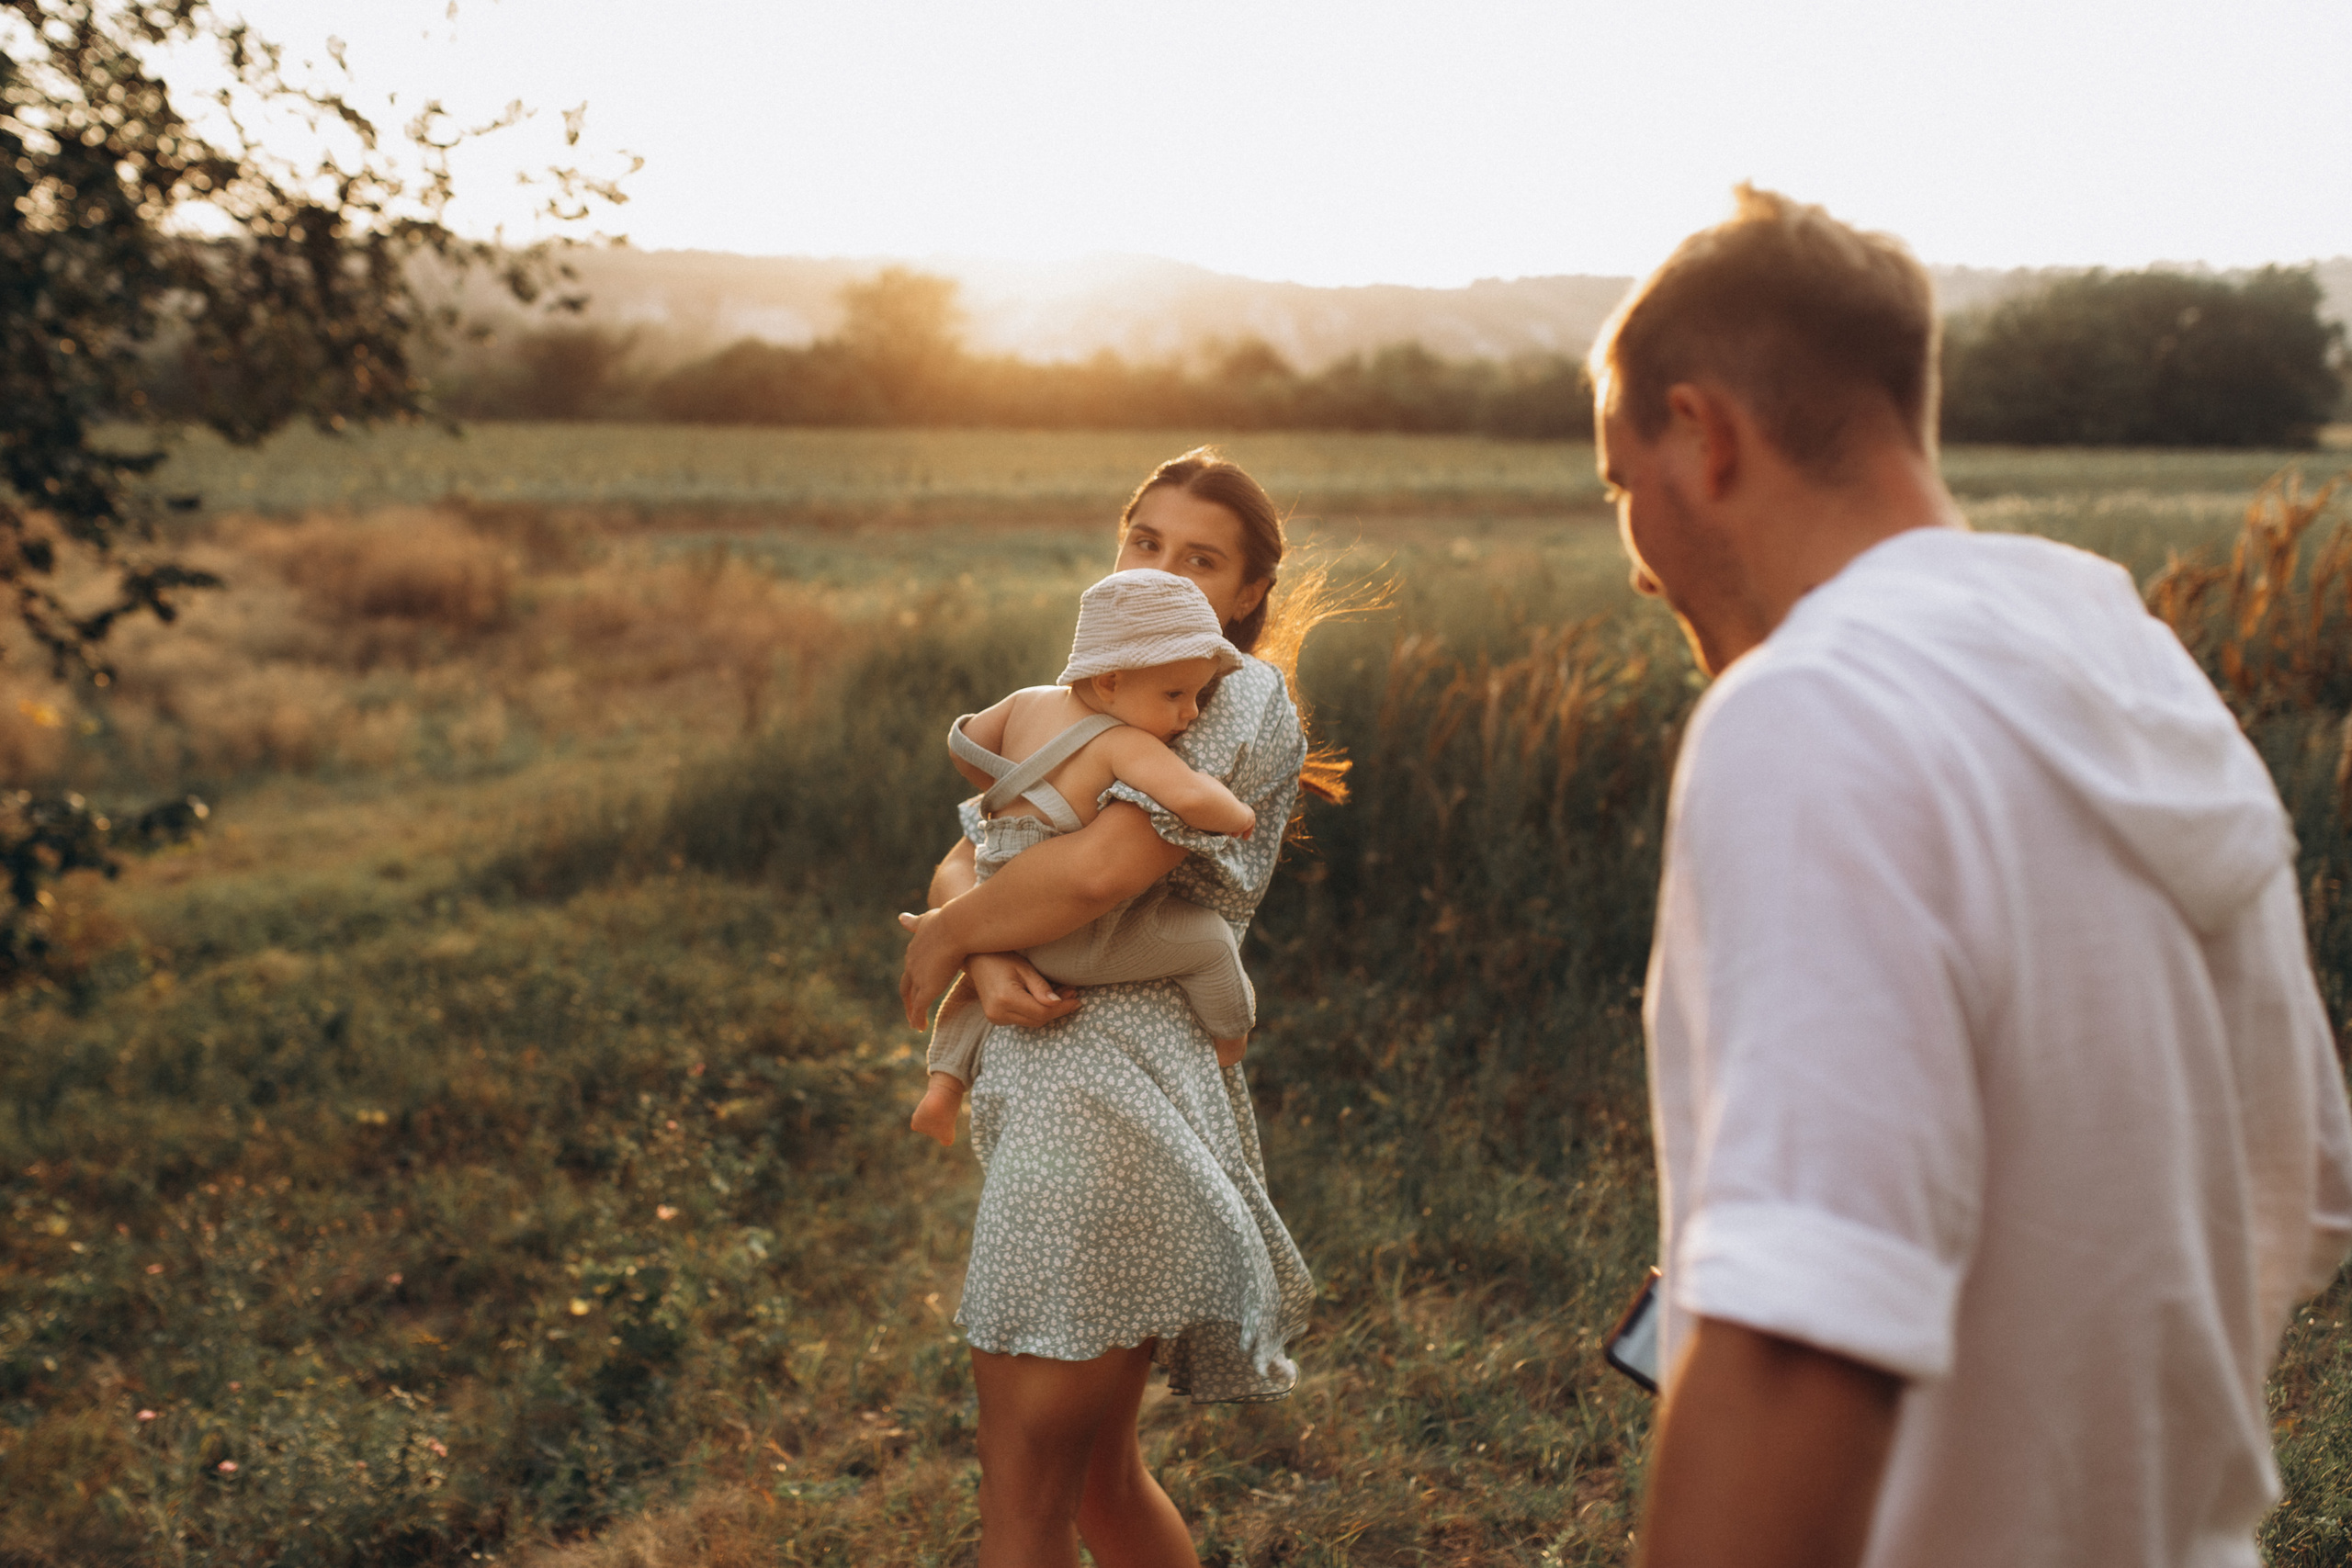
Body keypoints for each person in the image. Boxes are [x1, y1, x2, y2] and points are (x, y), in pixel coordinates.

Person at [1593, 185, 2352, 1568]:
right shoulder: (2141, 668)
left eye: (1616, 481)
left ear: (1703, 437)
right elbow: (2305, 1188)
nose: (1635, 561)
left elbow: (1800, 1349)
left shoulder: (1812, 708)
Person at [898, 447, 1344, 1568]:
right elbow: (978, 850)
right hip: (1057, 1073)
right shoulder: (1097, 690)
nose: (1162, 570)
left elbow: (1099, 873)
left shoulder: (1230, 695)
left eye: (1201, 560)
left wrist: (960, 934)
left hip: (1118, 1092)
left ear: (1248, 595)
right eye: (1143, 543)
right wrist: (986, 956)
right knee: (1096, 1475)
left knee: (1025, 1494)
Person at [910, 568, 1261, 1148]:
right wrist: (1238, 814)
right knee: (1208, 941)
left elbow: (966, 744)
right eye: (1175, 694)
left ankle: (943, 1089)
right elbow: (1192, 797)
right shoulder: (1123, 742)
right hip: (1071, 930)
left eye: (1197, 695)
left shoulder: (1026, 703)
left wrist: (1009, 787)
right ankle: (1230, 1039)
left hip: (999, 901)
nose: (1191, 713)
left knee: (975, 983)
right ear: (1109, 683)